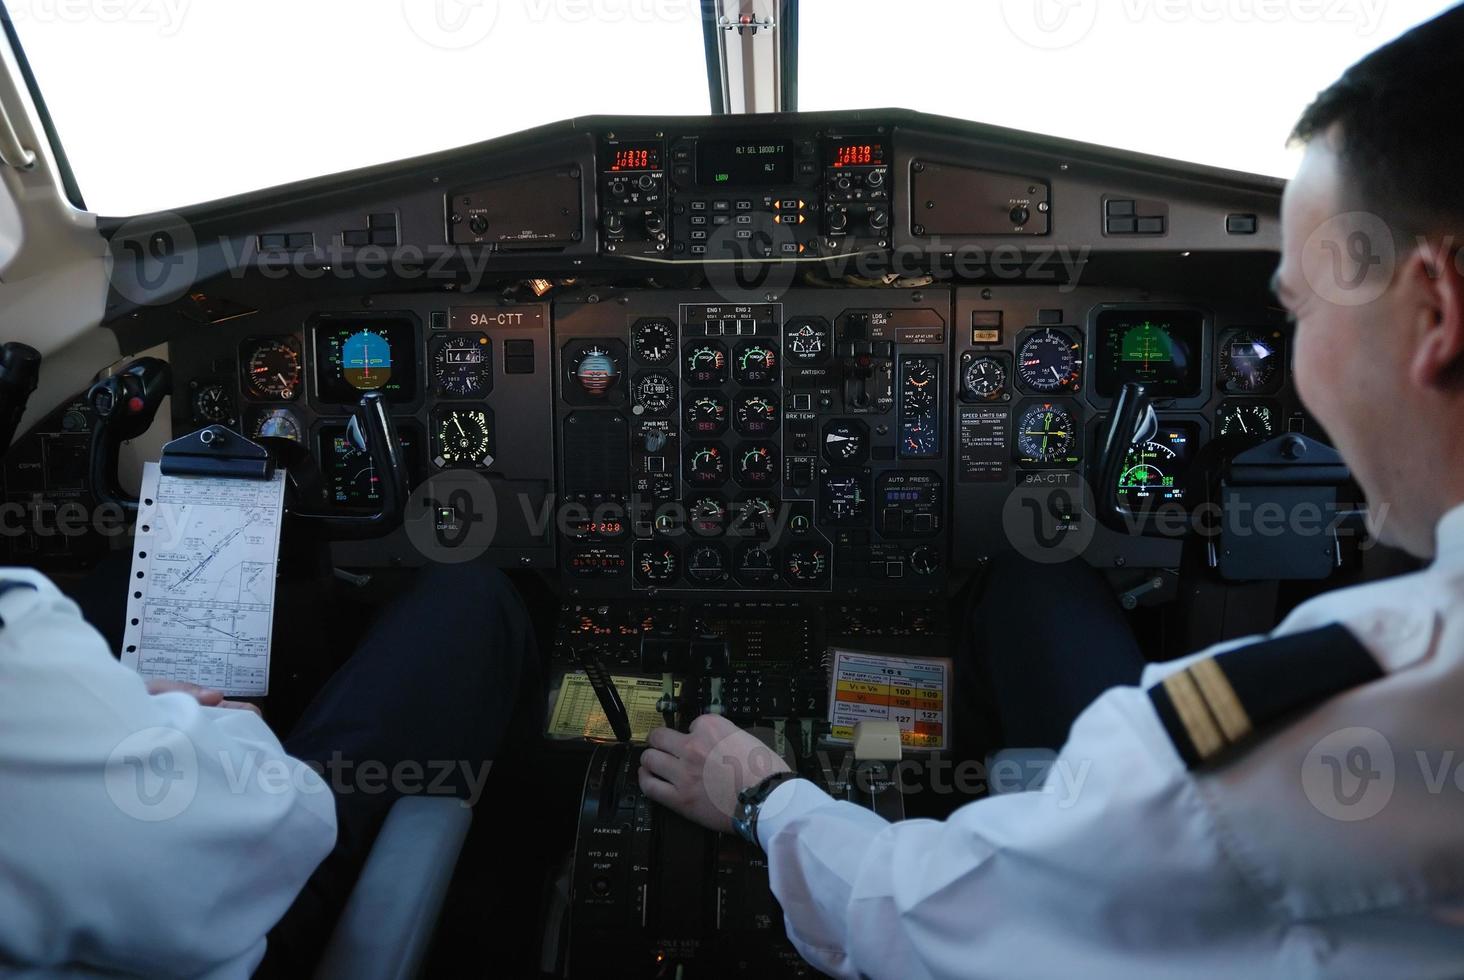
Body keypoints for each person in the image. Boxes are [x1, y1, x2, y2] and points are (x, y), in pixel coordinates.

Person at [638, 7, 1464, 978]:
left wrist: (760, 791)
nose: (1293, 362)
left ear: (1434, 307)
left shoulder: (1283, 740)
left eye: (1296, 310)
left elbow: (920, 918)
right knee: (1034, 578)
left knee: (1030, 576)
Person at [0, 560, 535, 978]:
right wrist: (221, 729)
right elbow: (268, 824)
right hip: (242, 909)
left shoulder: (23, 626)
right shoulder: (17, 628)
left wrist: (125, 701)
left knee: (122, 571)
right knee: (470, 598)